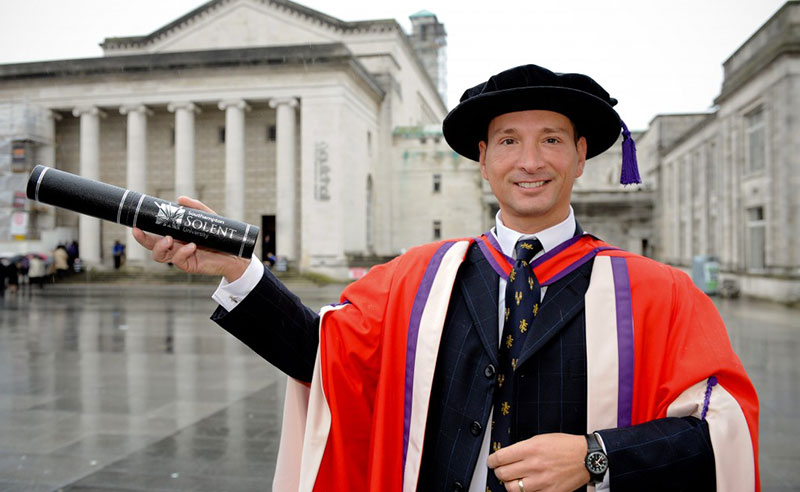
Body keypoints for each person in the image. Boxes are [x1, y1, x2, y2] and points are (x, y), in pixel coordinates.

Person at [133, 64, 759, 491]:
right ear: (482, 160)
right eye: (508, 140)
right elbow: (320, 355)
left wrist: (596, 457)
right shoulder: (418, 277)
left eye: (551, 140)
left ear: (580, 157)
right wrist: (236, 269)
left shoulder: (659, 293)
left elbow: (720, 431)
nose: (530, 161)